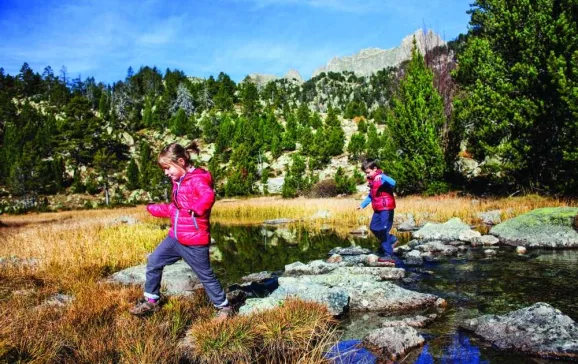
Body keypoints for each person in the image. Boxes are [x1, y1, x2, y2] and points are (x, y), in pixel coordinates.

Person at [130, 141, 232, 320]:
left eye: (168, 168)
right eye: (164, 169)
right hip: (175, 238)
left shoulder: (197, 179)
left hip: (194, 240)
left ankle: (223, 308)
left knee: (205, 276)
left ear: (181, 162)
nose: (166, 173)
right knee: (154, 261)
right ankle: (151, 301)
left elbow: (208, 195)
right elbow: (176, 209)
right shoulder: (178, 181)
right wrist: (154, 209)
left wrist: (199, 207)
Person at [357, 159, 397, 263]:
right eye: (366, 173)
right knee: (373, 227)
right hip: (377, 208)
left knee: (383, 230)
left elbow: (394, 182)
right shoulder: (372, 181)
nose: (367, 175)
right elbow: (371, 195)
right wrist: (362, 205)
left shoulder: (382, 178)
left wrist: (382, 176)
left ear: (375, 169)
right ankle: (391, 239)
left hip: (386, 208)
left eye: (368, 172)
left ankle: (389, 255)